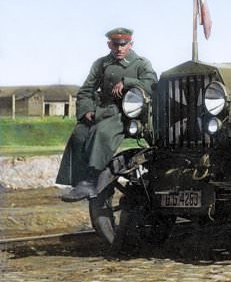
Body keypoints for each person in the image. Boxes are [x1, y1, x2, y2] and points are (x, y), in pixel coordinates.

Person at [57, 28, 157, 202]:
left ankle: (92, 179)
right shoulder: (101, 64)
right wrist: (87, 110)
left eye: (123, 45)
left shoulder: (141, 64)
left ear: (130, 44)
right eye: (115, 45)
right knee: (79, 134)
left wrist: (128, 82)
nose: (119, 49)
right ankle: (77, 182)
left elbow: (152, 85)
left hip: (126, 113)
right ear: (109, 44)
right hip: (102, 110)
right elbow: (86, 90)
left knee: (102, 133)